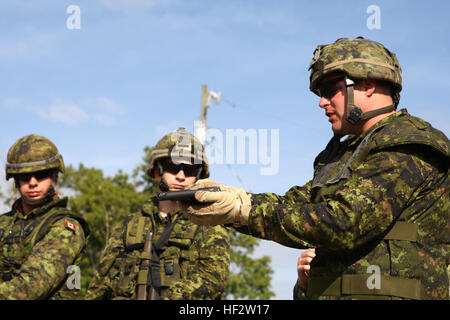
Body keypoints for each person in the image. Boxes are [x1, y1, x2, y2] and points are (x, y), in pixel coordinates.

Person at [181, 37, 449, 299]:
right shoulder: (343, 153)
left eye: (330, 90)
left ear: (367, 85)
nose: (321, 102)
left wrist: (242, 210)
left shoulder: (406, 142)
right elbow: (297, 204)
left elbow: (344, 222)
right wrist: (233, 203)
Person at [86, 128, 230, 300]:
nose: (181, 176)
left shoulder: (209, 224)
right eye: (173, 167)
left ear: (198, 176)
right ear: (157, 171)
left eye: (190, 170)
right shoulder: (128, 226)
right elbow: (100, 285)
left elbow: (213, 280)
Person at [0, 134, 89, 299]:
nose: (32, 182)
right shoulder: (4, 224)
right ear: (16, 180)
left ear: (54, 177)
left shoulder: (65, 227)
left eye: (40, 175)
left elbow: (31, 286)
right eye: (25, 176)